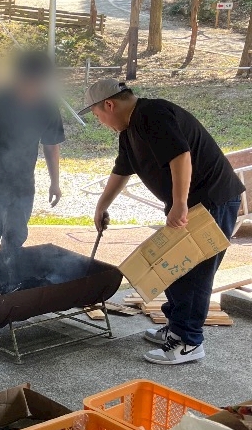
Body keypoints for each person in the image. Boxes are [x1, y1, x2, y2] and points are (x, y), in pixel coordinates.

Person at [81, 78, 243, 365]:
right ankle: (176, 328)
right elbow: (122, 170)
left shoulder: (152, 114)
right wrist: (101, 205)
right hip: (190, 202)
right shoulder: (129, 130)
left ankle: (189, 342)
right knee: (173, 268)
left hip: (210, 200)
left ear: (109, 105)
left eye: (97, 115)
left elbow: (181, 156)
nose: (99, 122)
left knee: (193, 273)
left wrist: (179, 203)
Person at [0, 49, 65, 256]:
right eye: (28, 82)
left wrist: (55, 183)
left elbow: (51, 146)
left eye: (38, 83)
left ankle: (10, 274)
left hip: (23, 186)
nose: (32, 88)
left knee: (15, 242)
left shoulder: (47, 107)